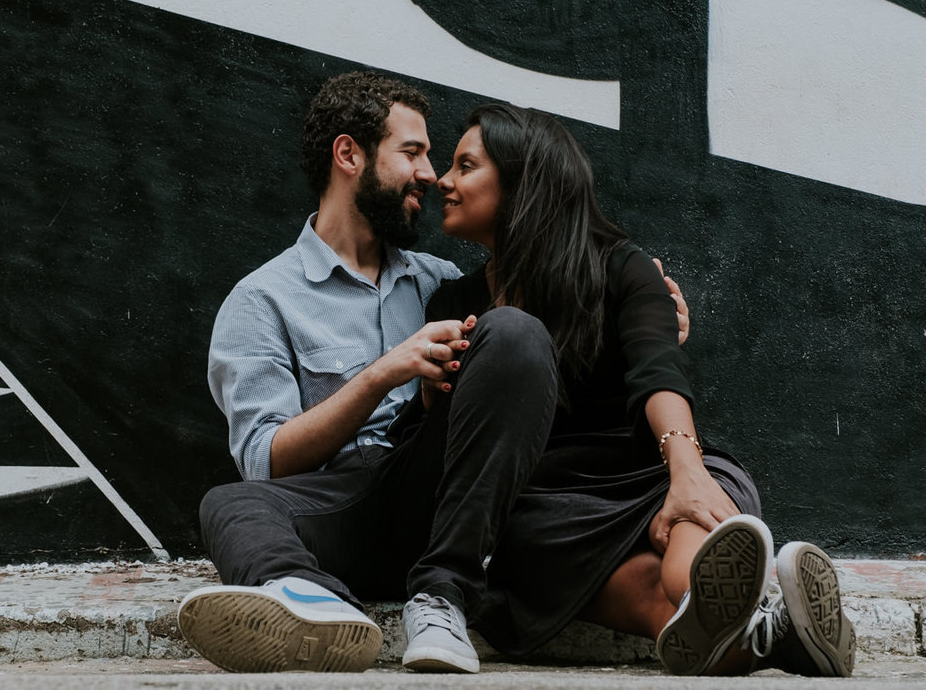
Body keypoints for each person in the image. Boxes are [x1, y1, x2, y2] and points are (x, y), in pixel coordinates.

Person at [178, 72, 687, 675]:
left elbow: (530, 339)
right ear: (350, 155)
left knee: (512, 333)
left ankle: (446, 589)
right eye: (412, 153)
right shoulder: (263, 300)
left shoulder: (439, 280)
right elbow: (267, 459)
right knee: (230, 503)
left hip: (452, 495)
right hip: (353, 507)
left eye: (437, 158)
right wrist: (381, 375)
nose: (430, 174)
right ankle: (311, 603)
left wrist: (644, 308)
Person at [423, 101, 855, 676]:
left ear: (524, 180)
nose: (443, 182)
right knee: (548, 549)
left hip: (650, 475)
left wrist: (685, 471)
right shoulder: (451, 306)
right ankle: (769, 631)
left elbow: (658, 370)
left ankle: (722, 604)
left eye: (465, 165)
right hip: (548, 512)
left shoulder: (623, 268)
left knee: (696, 510)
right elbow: (457, 439)